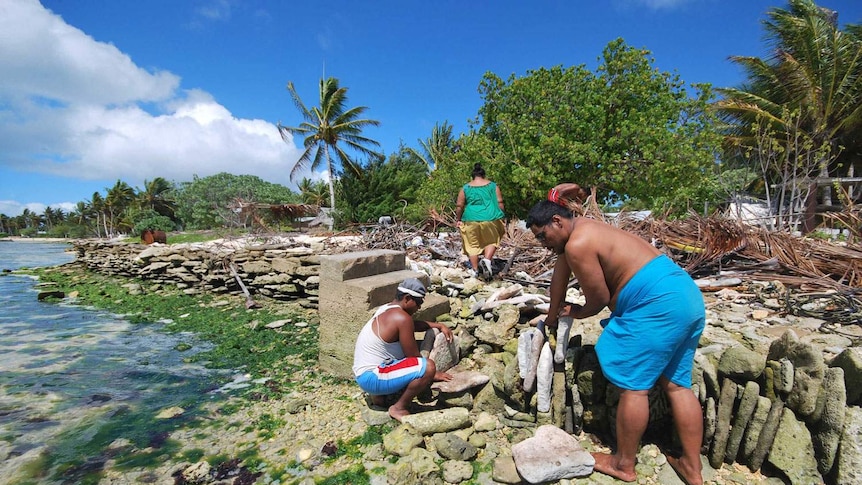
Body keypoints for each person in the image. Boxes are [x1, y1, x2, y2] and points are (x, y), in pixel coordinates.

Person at [526, 184, 705, 485]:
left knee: (634, 388)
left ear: (557, 222)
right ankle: (692, 466)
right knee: (677, 385)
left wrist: (577, 313)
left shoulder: (577, 243)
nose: (541, 242)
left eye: (542, 235)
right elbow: (559, 279)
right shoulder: (586, 230)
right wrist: (552, 314)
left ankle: (623, 463)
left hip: (656, 304)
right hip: (685, 296)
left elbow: (598, 298)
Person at [352, 278, 454, 422]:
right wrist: (433, 374)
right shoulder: (402, 318)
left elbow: (413, 325)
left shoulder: (387, 309)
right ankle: (399, 407)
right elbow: (413, 356)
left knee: (414, 361)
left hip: (363, 375)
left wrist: (438, 325)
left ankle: (380, 397)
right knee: (428, 367)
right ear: (407, 299)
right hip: (372, 378)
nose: (419, 307)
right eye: (419, 302)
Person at [455, 163, 506, 279]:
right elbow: (500, 202)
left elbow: (459, 206)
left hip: (470, 219)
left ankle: (475, 270)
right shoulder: (493, 186)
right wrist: (502, 215)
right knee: (492, 240)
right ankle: (487, 260)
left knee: (472, 245)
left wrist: (458, 219)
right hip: (491, 218)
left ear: (472, 176)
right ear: (483, 175)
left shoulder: (466, 188)